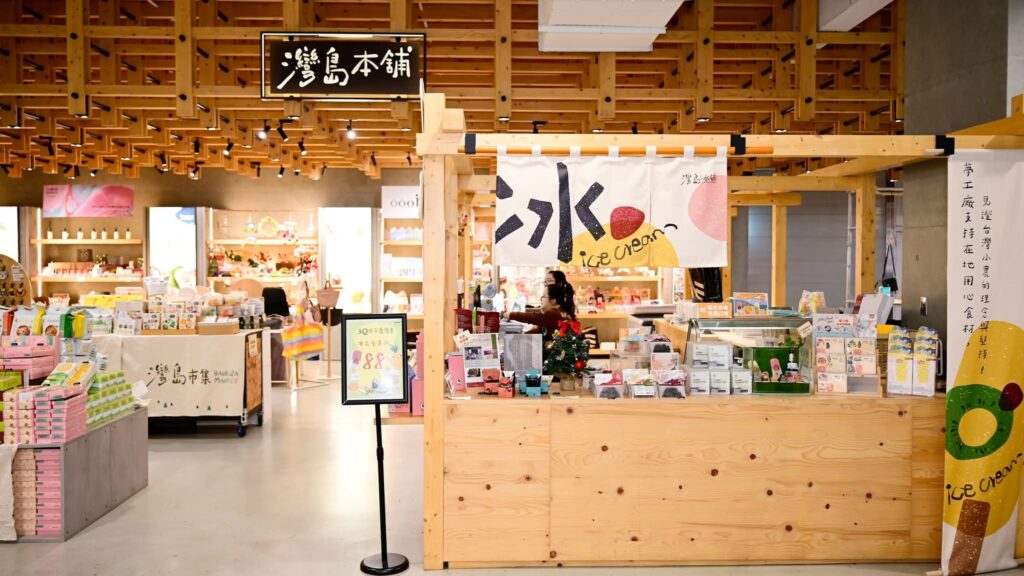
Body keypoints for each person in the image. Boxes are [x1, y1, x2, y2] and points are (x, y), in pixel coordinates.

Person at [502, 283, 576, 338]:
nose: (541, 299)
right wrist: (521, 336)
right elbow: (539, 330)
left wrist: (507, 314)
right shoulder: (561, 313)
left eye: (543, 296)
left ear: (553, 301)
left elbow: (533, 317)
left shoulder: (554, 314)